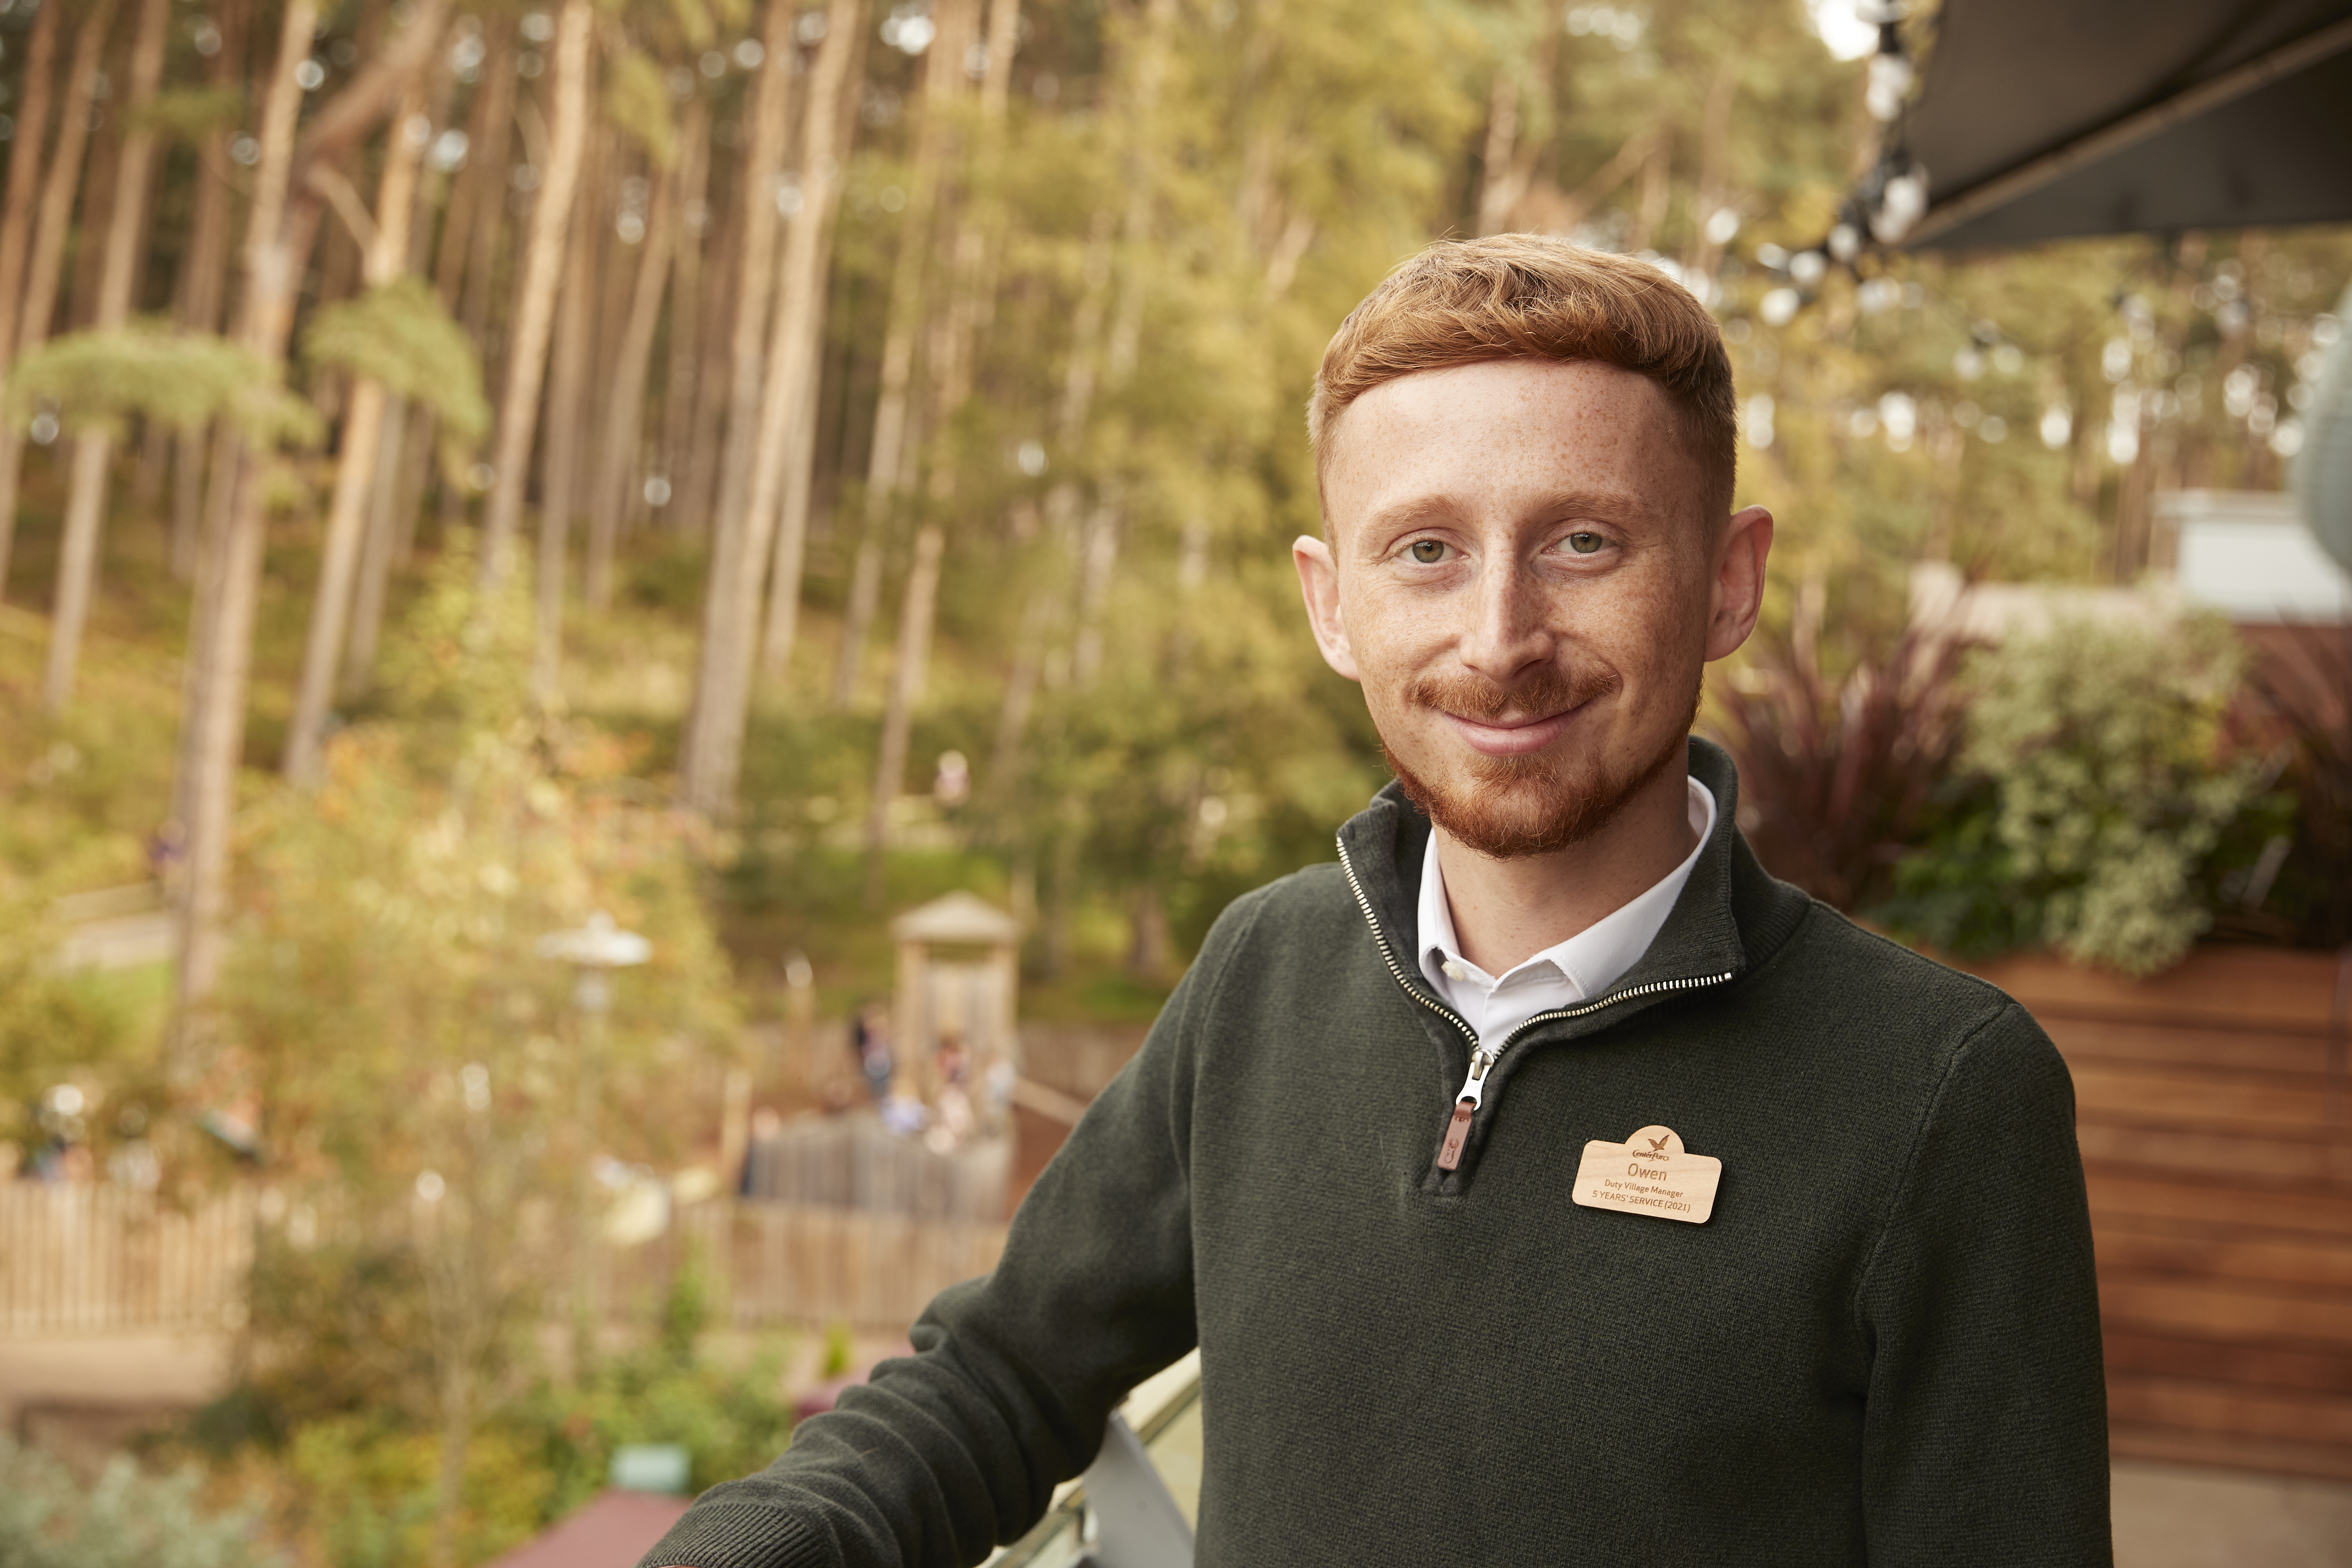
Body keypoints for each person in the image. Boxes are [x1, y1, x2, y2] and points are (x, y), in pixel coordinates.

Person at [640, 236, 2109, 1567]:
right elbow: (1005, 1377)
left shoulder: (1941, 1093)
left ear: (1728, 583)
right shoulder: (1262, 970)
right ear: (1331, 603)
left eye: (1583, 542)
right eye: (1425, 550)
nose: (1498, 638)